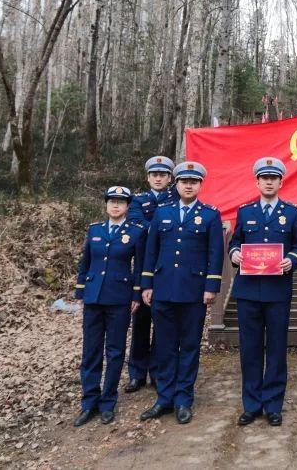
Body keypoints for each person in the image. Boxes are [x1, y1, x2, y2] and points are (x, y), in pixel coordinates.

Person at [139, 162, 224, 424]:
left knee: (188, 346)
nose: (188, 185)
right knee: (164, 346)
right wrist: (147, 284)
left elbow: (215, 253)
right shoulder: (162, 213)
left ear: (200, 185)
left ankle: (183, 398)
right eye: (184, 181)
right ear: (175, 184)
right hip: (163, 289)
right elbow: (151, 251)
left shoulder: (210, 215)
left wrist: (211, 287)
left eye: (194, 181)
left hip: (194, 292)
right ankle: (164, 398)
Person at [228, 157, 297, 426]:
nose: (269, 182)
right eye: (265, 178)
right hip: (248, 291)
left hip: (277, 291)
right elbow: (235, 241)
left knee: (275, 349)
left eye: (274, 178)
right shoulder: (246, 211)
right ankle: (251, 404)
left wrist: (292, 260)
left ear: (281, 182)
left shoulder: (293, 212)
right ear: (258, 181)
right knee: (249, 349)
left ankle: (273, 404)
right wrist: (235, 253)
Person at [73, 186, 145, 426]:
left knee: (114, 352)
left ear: (127, 207)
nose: (116, 205)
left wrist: (136, 295)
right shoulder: (95, 230)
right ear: (106, 205)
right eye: (112, 201)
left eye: (121, 202)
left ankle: (107, 402)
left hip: (119, 298)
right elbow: (86, 263)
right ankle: (88, 402)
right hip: (94, 298)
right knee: (90, 352)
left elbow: (139, 267)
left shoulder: (136, 232)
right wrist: (81, 290)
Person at [124, 155, 176, 394]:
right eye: (154, 174)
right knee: (141, 322)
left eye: (163, 174)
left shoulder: (177, 199)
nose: (158, 178)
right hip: (143, 265)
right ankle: (136, 373)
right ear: (148, 177)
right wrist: (161, 227)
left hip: (167, 268)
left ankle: (157, 371)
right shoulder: (137, 201)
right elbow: (135, 226)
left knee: (164, 325)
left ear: (169, 178)